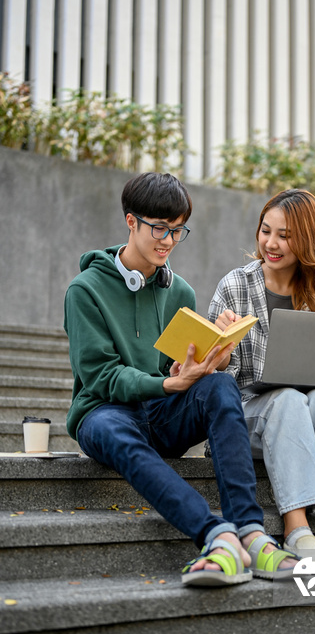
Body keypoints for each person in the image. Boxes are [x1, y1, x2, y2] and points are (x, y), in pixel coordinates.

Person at [64, 172, 298, 588]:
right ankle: (217, 536)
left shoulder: (180, 292)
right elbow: (100, 377)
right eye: (159, 228)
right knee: (108, 426)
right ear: (131, 221)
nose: (167, 241)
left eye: (177, 231)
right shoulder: (85, 290)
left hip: (160, 410)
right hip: (104, 414)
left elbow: (173, 370)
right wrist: (167, 385)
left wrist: (204, 365)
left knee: (221, 384)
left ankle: (252, 532)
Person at [208, 188, 315, 571]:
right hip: (246, 418)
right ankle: (296, 527)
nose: (271, 243)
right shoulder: (235, 286)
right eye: (266, 231)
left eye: (285, 235)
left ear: (307, 241)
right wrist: (222, 348)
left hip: (300, 416)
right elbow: (214, 382)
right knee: (285, 399)